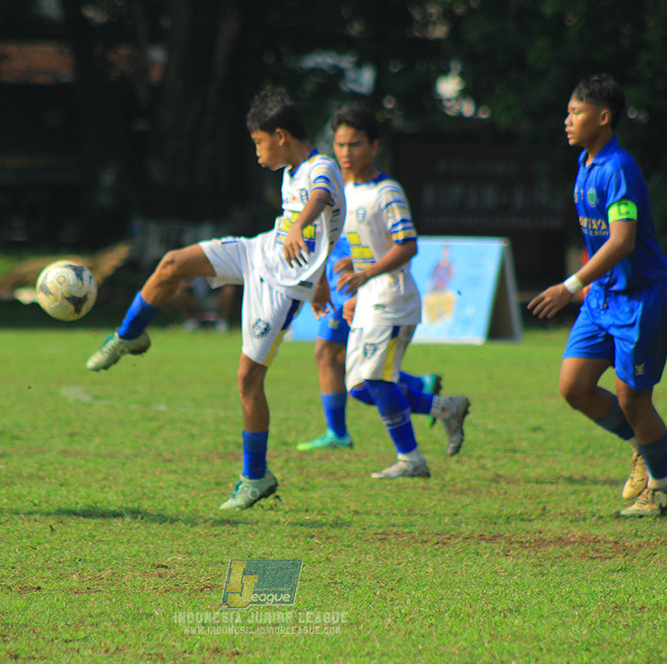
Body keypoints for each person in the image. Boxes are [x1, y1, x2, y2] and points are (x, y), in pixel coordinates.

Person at [86, 86, 345, 509]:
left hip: (280, 289)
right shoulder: (292, 171)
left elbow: (321, 199)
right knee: (172, 263)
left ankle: (255, 477)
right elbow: (322, 236)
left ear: (280, 136)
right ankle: (128, 335)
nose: (257, 153)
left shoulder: (322, 167)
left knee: (248, 380)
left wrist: (300, 229)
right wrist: (317, 273)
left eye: (259, 143)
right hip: (258, 252)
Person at [528, 74, 667, 517]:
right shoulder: (586, 164)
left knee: (634, 399)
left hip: (641, 296)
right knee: (574, 387)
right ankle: (640, 448)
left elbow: (622, 242)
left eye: (575, 112)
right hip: (605, 296)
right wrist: (590, 282)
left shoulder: (618, 167)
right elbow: (598, 242)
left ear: (603, 116)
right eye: (569, 112)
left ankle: (664, 488)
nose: (567, 120)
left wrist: (570, 284)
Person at [313, 107, 470, 477]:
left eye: (355, 144)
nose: (346, 153)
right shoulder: (345, 191)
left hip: (393, 298)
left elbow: (406, 245)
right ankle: (443, 407)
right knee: (358, 387)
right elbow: (359, 248)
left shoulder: (387, 191)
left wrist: (364, 274)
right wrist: (352, 283)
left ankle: (410, 460)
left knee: (378, 380)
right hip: (367, 298)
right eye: (340, 145)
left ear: (374, 146)